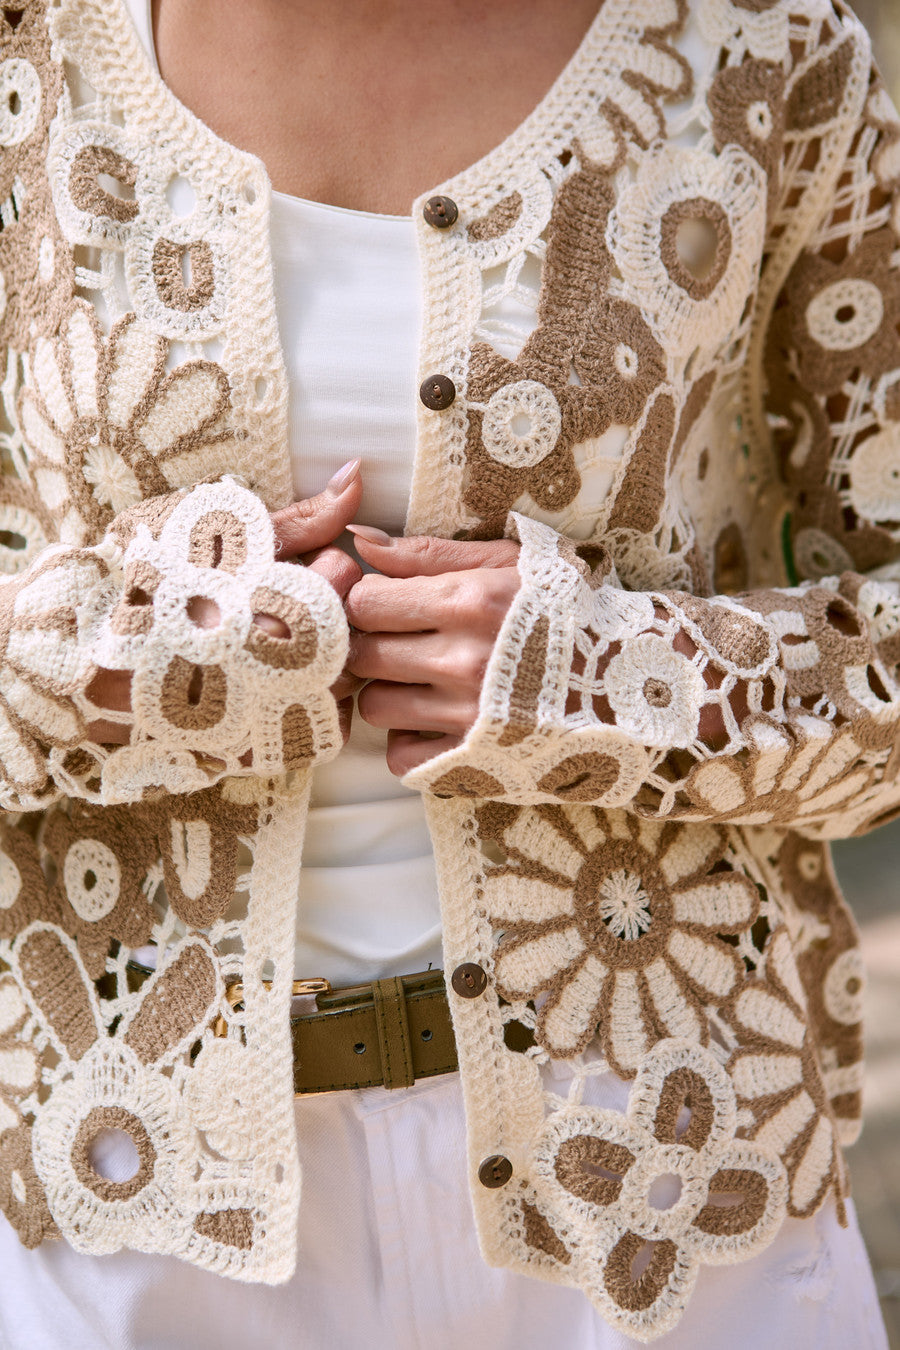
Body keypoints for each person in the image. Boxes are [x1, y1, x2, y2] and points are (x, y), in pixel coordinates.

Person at [0, 0, 895, 1344]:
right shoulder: (35, 60)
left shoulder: (757, 49)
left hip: (669, 1176)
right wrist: (133, 653)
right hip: (128, 1195)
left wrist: (616, 681)